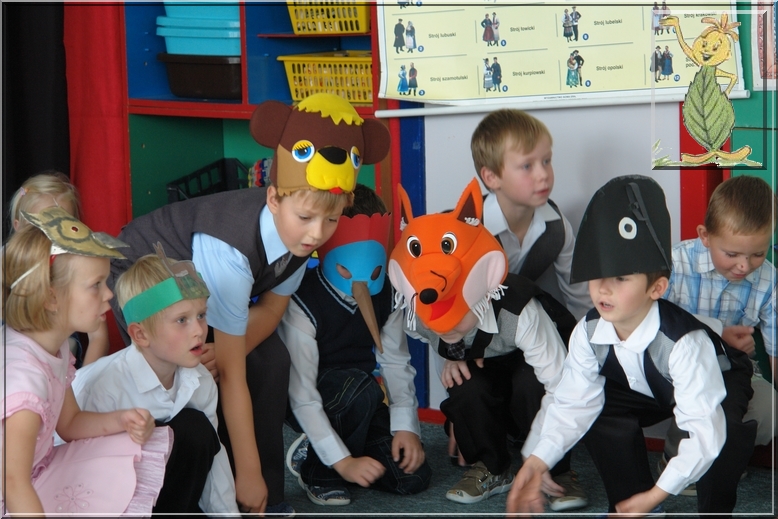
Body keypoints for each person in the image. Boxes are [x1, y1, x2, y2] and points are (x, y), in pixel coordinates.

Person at [106, 93, 390, 515]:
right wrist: (248, 471)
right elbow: (232, 377)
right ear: (274, 199)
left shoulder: (298, 239)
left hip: (199, 302)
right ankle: (202, 494)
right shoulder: (231, 252)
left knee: (271, 359)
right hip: (144, 280)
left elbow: (272, 312)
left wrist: (226, 350)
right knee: (192, 378)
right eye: (306, 217)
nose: (317, 234)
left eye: (330, 220)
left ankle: (265, 498)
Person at [507, 175, 756, 516]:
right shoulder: (587, 332)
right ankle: (630, 505)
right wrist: (537, 460)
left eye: (621, 278)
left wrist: (657, 493)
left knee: (721, 437)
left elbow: (704, 433)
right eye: (598, 276)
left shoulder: (684, 344)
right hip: (650, 389)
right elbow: (572, 403)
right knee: (598, 406)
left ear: (657, 288)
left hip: (718, 379)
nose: (603, 289)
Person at [388, 179, 587, 511]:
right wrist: (452, 354)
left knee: (531, 383)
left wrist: (538, 457)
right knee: (463, 384)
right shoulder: (419, 318)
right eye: (440, 327)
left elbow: (561, 385)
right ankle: (493, 467)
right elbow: (431, 339)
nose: (448, 330)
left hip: (531, 365)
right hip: (486, 363)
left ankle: (559, 470)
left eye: (457, 322)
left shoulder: (519, 313)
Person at [1, 206, 171, 515]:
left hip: (36, 475)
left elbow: (69, 423)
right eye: (96, 285)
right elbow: (13, 485)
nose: (109, 295)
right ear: (51, 297)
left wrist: (121, 420)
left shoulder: (54, 347)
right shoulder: (24, 381)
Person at [280, 184, 431, 506]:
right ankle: (318, 468)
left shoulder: (387, 294)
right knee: (358, 388)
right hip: (310, 396)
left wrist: (407, 427)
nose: (360, 279)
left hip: (362, 396)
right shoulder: (303, 300)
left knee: (412, 477)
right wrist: (342, 462)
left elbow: (395, 361)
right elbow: (301, 392)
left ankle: (338, 443)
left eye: (373, 269)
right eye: (346, 268)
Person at [71, 247, 240, 514]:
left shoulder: (201, 380)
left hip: (166, 499)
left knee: (196, 428)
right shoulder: (101, 387)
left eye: (201, 315)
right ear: (140, 335)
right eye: (181, 320)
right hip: (107, 501)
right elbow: (79, 473)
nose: (199, 330)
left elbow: (213, 459)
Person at [664, 175, 777, 452]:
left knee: (769, 410)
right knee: (700, 399)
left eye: (757, 254)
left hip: (735, 371)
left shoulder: (769, 280)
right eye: (732, 254)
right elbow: (650, 325)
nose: (744, 266)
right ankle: (678, 453)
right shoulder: (674, 263)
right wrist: (717, 337)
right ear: (705, 236)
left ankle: (726, 458)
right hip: (675, 368)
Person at [472, 109, 592, 322]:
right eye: (527, 166)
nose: (543, 174)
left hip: (521, 326)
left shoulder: (556, 225)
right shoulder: (469, 229)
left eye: (546, 161)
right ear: (491, 177)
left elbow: (581, 299)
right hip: (471, 329)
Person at [6, 171, 109, 367]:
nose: (53, 238)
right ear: (18, 227)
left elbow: (99, 338)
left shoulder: (78, 265)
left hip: (63, 364)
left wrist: (80, 380)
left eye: (65, 227)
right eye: (41, 228)